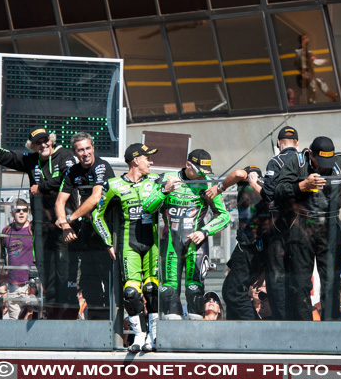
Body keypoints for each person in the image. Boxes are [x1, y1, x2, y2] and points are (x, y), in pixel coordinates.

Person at [0, 126, 76, 318]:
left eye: (45, 140)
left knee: (64, 275)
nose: (43, 145)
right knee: (46, 275)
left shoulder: (64, 155)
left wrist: (41, 187)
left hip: (64, 225)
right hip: (42, 228)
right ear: (33, 146)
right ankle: (52, 317)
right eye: (38, 143)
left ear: (51, 140)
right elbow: (5, 157)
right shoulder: (31, 160)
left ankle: (68, 318)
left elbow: (69, 178)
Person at [275, 136, 341, 321]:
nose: (325, 167)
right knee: (300, 282)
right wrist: (302, 185)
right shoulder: (297, 162)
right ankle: (304, 325)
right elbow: (278, 190)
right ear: (310, 154)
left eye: (328, 162)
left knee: (331, 280)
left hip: (330, 223)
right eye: (321, 162)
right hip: (302, 223)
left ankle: (331, 324)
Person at [143, 149, 230, 322]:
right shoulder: (166, 179)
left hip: (196, 245)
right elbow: (147, 207)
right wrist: (164, 191)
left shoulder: (208, 183)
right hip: (170, 243)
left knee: (194, 289)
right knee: (168, 290)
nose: (202, 175)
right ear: (188, 164)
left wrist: (205, 231)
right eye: (199, 171)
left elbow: (224, 216)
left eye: (205, 172)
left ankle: (196, 332)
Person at [92, 143, 160, 353]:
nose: (151, 162)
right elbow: (96, 215)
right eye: (147, 158)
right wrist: (108, 242)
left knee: (152, 289)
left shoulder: (156, 182)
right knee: (131, 292)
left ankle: (154, 336)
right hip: (128, 244)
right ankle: (138, 336)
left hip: (153, 244)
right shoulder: (113, 185)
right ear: (136, 160)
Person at [55, 132, 115, 314]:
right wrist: (65, 227)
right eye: (81, 150)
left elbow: (95, 198)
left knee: (109, 281)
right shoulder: (72, 171)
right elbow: (59, 202)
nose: (86, 153)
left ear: (93, 148)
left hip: (106, 231)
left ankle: (112, 323)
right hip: (87, 233)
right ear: (75, 153)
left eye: (88, 148)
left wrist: (69, 218)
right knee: (89, 284)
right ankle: (95, 321)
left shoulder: (102, 166)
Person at [206, 166, 267, 320]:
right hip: (253, 248)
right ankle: (240, 328)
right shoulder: (263, 191)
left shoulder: (251, 184)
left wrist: (219, 188)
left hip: (250, 247)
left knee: (233, 292)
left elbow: (239, 173)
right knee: (233, 291)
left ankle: (253, 326)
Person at [260, 126, 299, 319]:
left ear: (278, 143)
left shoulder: (275, 162)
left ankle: (282, 320)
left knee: (277, 276)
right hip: (303, 228)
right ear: (297, 143)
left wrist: (255, 184)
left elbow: (267, 194)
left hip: (279, 227)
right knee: (298, 275)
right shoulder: (305, 160)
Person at [0, 198, 34, 320]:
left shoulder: (33, 230)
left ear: (28, 212)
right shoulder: (6, 231)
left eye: (24, 210)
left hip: (30, 285)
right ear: (12, 213)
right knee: (14, 324)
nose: (21, 213)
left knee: (30, 321)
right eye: (17, 210)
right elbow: (2, 254)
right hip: (12, 286)